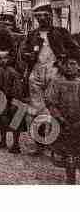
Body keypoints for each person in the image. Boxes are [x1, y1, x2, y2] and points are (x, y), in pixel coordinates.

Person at [22, 2, 80, 155]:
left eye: (45, 16)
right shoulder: (32, 34)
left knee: (54, 108)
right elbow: (23, 52)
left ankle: (57, 145)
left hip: (55, 73)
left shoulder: (61, 32)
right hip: (36, 73)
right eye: (39, 16)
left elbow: (75, 50)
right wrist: (28, 56)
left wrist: (64, 61)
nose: (42, 19)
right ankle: (40, 144)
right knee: (37, 109)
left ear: (51, 16)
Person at [45, 54, 80, 184]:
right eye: (67, 64)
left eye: (73, 64)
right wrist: (60, 118)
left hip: (78, 124)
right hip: (63, 123)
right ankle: (70, 179)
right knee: (68, 152)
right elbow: (50, 102)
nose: (69, 67)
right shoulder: (56, 82)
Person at [0, 51, 25, 153]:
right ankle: (3, 141)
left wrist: (15, 100)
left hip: (13, 99)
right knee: (2, 120)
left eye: (5, 58)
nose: (3, 61)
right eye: (0, 59)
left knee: (16, 121)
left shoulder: (14, 72)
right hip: (2, 99)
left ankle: (16, 144)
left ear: (9, 59)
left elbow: (17, 88)